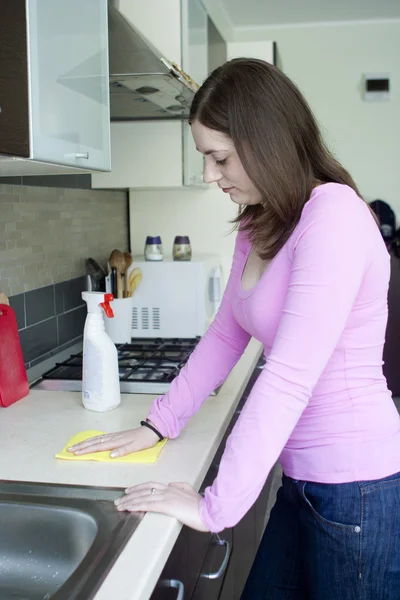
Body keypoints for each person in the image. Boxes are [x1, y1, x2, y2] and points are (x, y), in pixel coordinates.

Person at [69, 59, 400, 599]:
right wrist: (159, 423)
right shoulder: (260, 219)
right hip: (303, 482)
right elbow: (226, 334)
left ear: (265, 142)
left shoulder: (334, 217)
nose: (208, 175)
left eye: (218, 158)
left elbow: (290, 374)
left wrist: (213, 506)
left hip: (356, 488)